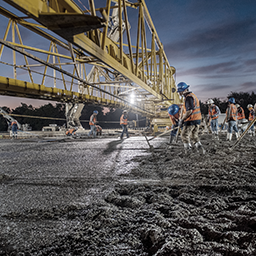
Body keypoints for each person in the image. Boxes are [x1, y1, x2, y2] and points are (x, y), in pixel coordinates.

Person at [177, 82, 205, 154]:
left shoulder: (188, 98)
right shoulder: (192, 96)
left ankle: (188, 151)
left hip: (191, 120)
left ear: (185, 90)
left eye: (180, 91)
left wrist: (182, 120)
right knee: (194, 136)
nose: (179, 93)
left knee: (184, 135)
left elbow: (189, 111)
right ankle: (201, 149)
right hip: (197, 119)